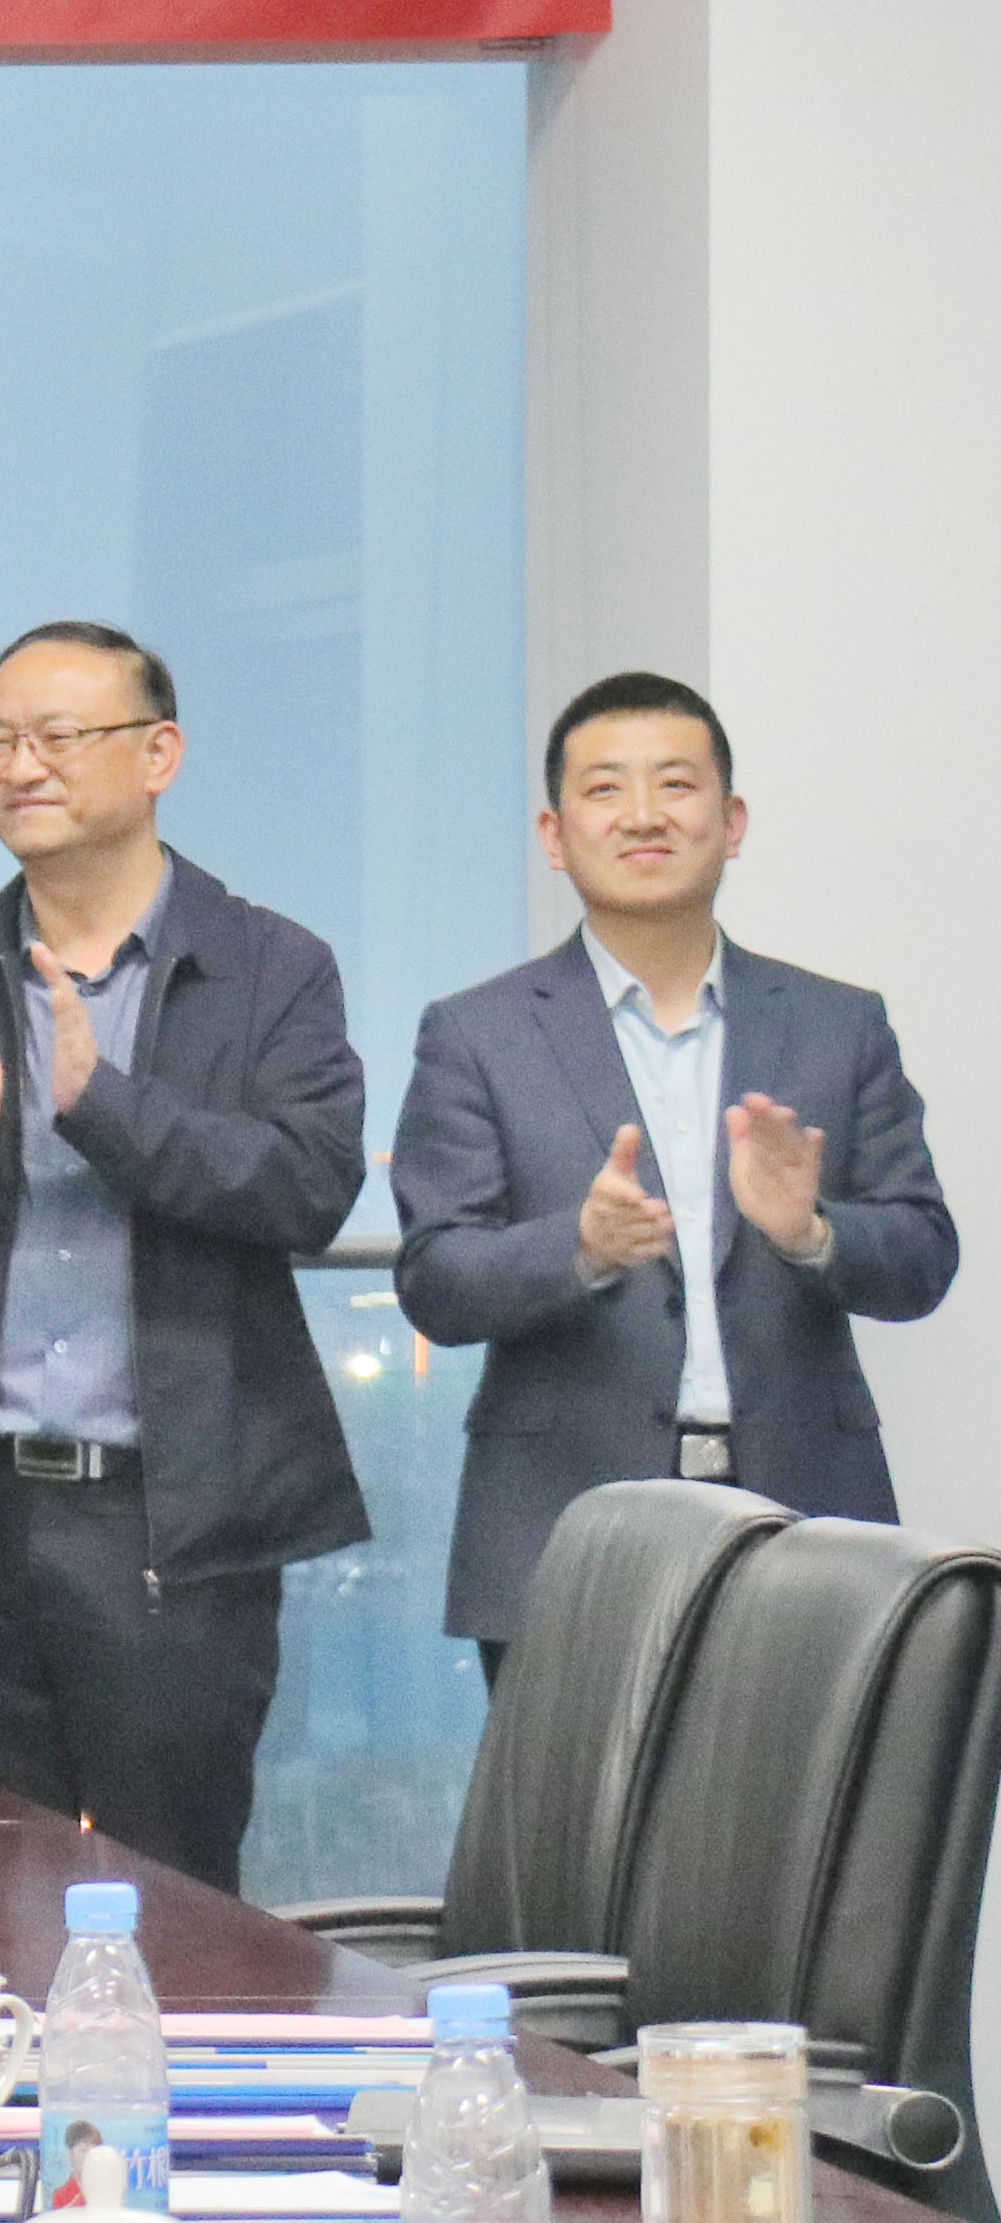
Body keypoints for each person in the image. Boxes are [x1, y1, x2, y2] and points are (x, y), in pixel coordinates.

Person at [0, 621, 365, 1894]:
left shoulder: (270, 968)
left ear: (157, 754)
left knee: (171, 1903)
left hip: (171, 1524)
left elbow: (307, 1188)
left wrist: (100, 1104)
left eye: (57, 736)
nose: (21, 766)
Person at [394, 671, 955, 1675]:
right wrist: (577, 1249)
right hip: (561, 1531)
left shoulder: (838, 1023)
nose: (644, 815)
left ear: (731, 822)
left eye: (677, 785)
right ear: (555, 834)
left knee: (801, 1786)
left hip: (812, 1523)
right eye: (605, 789)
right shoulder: (477, 1034)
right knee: (581, 1791)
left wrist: (811, 1232)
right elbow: (436, 1280)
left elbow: (921, 1257)